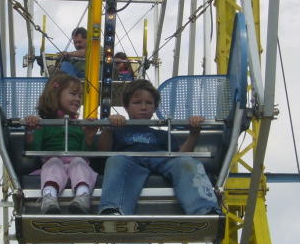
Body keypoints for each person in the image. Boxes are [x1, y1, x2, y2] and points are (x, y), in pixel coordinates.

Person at [97, 79, 220, 215]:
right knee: (116, 159)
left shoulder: (163, 135)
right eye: (137, 103)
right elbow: (103, 153)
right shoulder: (118, 131)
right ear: (126, 107)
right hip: (128, 161)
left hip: (160, 158)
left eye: (148, 103)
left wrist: (194, 134)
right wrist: (108, 128)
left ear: (155, 107)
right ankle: (114, 209)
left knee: (187, 162)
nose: (143, 107)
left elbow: (179, 158)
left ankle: (205, 209)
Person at [25, 73, 98, 214]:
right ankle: (49, 196)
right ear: (56, 94)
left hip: (76, 162)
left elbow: (86, 153)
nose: (78, 99)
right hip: (53, 162)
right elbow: (34, 151)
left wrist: (89, 137)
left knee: (79, 162)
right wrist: (30, 132)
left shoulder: (79, 126)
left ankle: (83, 196)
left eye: (80, 96)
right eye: (73, 94)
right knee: (53, 163)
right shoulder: (44, 124)